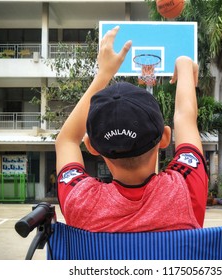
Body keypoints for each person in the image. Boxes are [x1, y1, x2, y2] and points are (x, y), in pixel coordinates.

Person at [56, 26, 209, 232]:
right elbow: (186, 117)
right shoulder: (185, 188)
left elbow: (66, 140)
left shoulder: (80, 201)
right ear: (165, 138)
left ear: (91, 146)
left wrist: (103, 74)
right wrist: (184, 64)